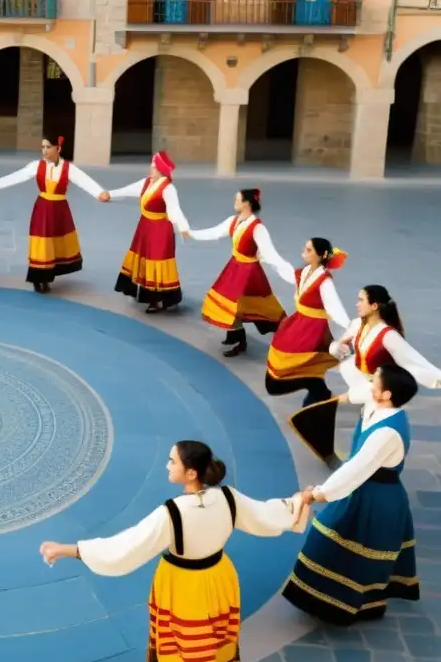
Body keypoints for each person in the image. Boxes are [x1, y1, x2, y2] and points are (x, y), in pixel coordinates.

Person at [40, 440, 307, 662]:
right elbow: (267, 515)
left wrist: (69, 549)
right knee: (210, 637)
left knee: (185, 651)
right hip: (218, 576)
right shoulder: (229, 498)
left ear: (191, 473)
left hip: (183, 586)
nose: (167, 465)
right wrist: (298, 502)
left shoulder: (173, 513)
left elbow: (126, 547)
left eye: (172, 461)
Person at [283, 364, 420, 625]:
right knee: (342, 545)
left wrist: (319, 494)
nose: (370, 383)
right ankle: (327, 601)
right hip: (363, 489)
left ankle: (342, 604)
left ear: (386, 394)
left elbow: (358, 468)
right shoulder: (376, 403)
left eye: (375, 380)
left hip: (375, 498)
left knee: (345, 548)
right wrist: (344, 355)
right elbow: (358, 386)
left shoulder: (387, 432)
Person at [289, 284, 441, 467]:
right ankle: (356, 471)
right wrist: (336, 347)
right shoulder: (358, 325)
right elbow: (342, 342)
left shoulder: (388, 336)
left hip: (379, 394)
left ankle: (364, 474)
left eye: (361, 300)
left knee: (370, 439)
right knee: (362, 436)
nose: (357, 304)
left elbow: (416, 363)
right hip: (366, 389)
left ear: (374, 306)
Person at [0, 134, 105, 292]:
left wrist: (99, 192)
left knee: (54, 243)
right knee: (42, 242)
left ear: (58, 148)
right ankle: (38, 278)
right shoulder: (36, 166)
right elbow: (19, 176)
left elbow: (85, 181)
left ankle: (48, 276)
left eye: (48, 147)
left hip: (59, 210)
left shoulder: (68, 168)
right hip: (43, 209)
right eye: (42, 147)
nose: (44, 150)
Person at [184, 189, 291, 357]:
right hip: (235, 268)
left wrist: (290, 273)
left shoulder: (258, 228)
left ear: (247, 203)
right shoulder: (233, 221)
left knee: (259, 306)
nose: (235, 202)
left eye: (237, 199)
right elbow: (214, 232)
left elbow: (271, 254)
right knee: (230, 303)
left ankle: (284, 335)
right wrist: (191, 234)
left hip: (249, 273)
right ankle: (237, 336)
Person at [100, 151, 190, 313]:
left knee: (156, 261)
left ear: (160, 169)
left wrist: (182, 226)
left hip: (160, 229)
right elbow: (128, 190)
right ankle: (148, 294)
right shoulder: (147, 183)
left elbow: (174, 209)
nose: (151, 168)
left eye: (154, 166)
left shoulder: (168, 188)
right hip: (145, 227)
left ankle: (156, 299)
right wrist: (109, 194)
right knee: (144, 258)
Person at [265, 238, 350, 407]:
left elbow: (336, 311)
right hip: (298, 325)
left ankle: (316, 388)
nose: (304, 251)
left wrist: (348, 334)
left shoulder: (325, 282)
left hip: (312, 330)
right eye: (305, 247)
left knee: (285, 370)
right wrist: (268, 258)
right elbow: (287, 272)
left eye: (309, 249)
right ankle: (318, 389)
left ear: (320, 256)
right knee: (280, 366)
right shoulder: (305, 273)